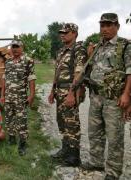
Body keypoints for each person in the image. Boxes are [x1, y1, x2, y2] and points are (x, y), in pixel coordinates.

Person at [81, 13, 131, 180]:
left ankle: (113, 172)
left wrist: (126, 95)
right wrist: (89, 55)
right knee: (94, 132)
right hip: (96, 96)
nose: (105, 29)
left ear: (117, 26)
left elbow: (130, 72)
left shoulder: (125, 45)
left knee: (114, 135)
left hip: (114, 99)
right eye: (102, 25)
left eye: (109, 25)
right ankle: (96, 161)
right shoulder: (97, 47)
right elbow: (93, 69)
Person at [48, 23, 87, 166]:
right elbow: (57, 72)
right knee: (62, 122)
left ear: (75, 33)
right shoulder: (61, 51)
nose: (62, 34)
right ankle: (65, 150)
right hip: (59, 91)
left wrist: (71, 93)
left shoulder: (78, 49)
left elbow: (79, 73)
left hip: (70, 90)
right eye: (61, 32)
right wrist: (52, 90)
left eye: (66, 32)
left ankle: (74, 156)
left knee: (71, 123)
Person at [0, 39, 36, 156]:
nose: (14, 49)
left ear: (22, 48)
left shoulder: (28, 61)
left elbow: (31, 78)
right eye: (13, 47)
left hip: (20, 97)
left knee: (21, 121)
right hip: (8, 96)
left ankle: (22, 144)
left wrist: (31, 95)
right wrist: (2, 95)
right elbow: (4, 79)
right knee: (9, 119)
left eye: (17, 47)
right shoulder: (8, 62)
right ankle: (11, 139)